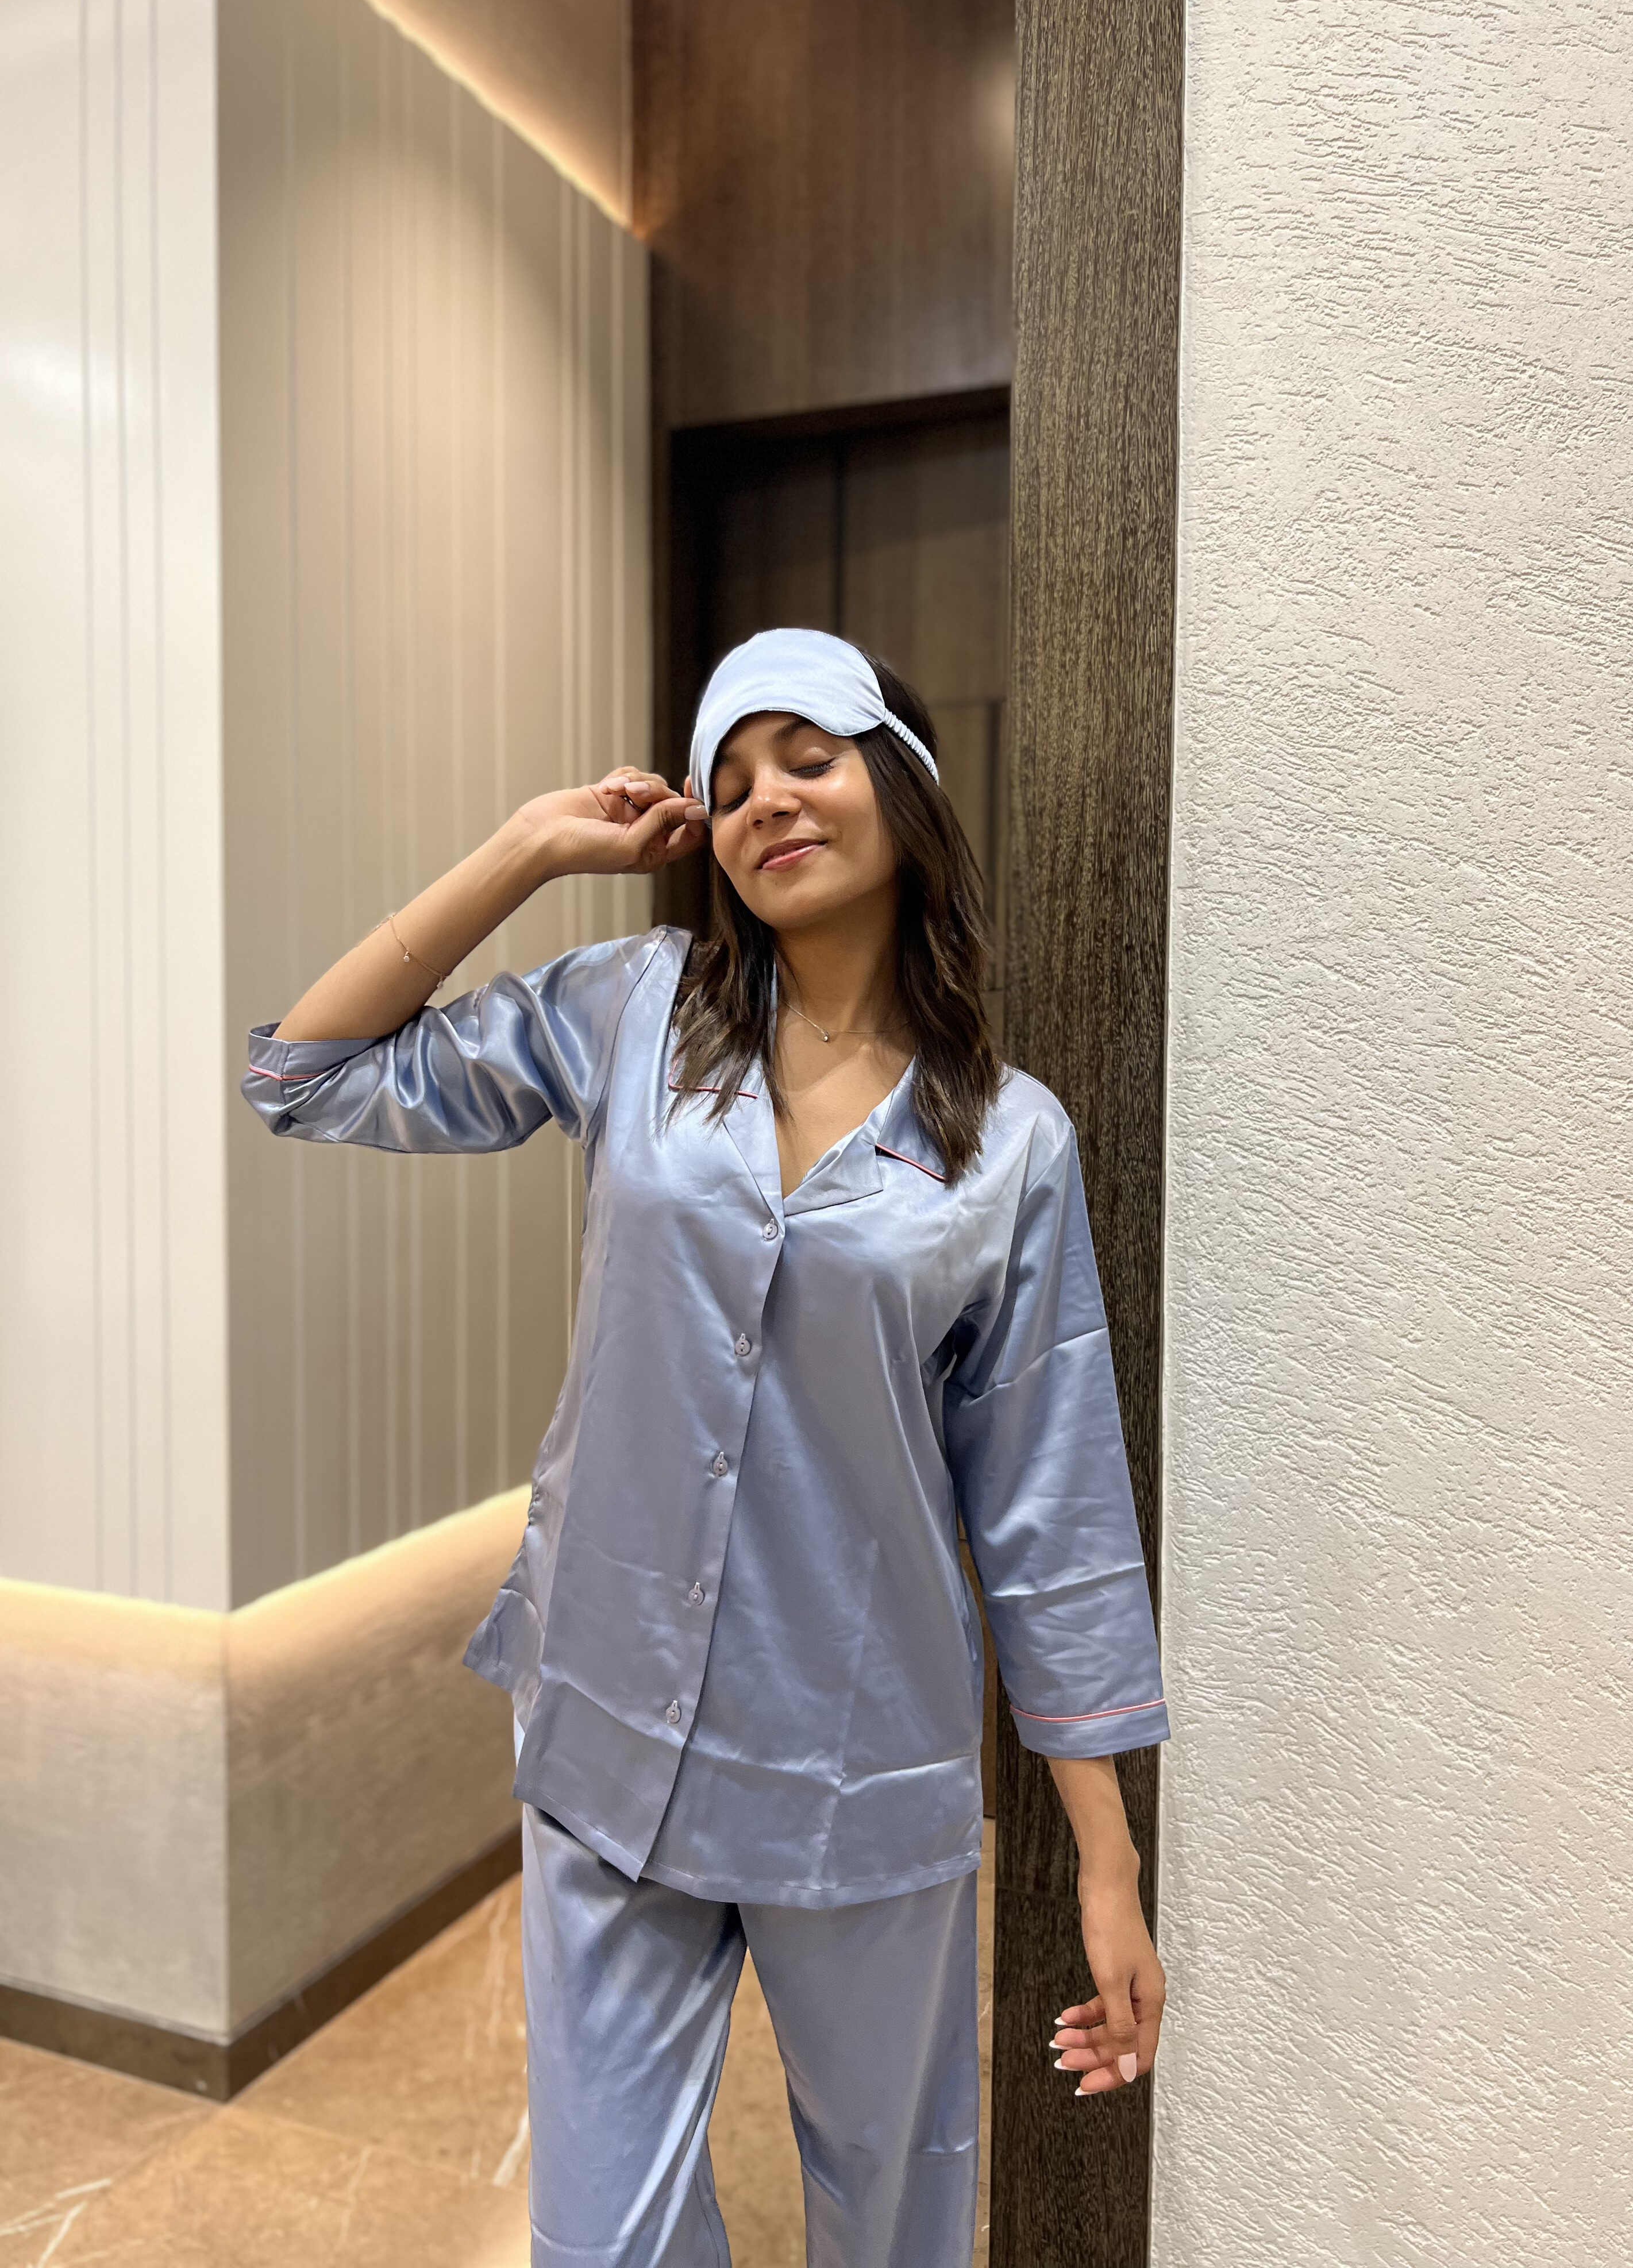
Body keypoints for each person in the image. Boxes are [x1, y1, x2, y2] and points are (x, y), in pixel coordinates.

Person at [240, 626, 1171, 2268]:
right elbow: (307, 1075)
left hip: (855, 1771)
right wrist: (533, 850)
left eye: (807, 756)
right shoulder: (637, 1015)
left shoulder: (1012, 1142)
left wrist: (1107, 1859)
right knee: (604, 2244)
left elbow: (1051, 1506)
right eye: (730, 779)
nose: (766, 801)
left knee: (894, 2215)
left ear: (901, 784)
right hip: (608, 1740)